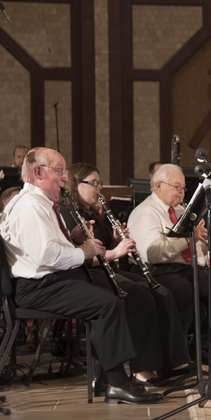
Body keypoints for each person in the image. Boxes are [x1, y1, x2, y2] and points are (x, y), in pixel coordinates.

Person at [0, 147, 162, 404]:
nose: (65, 178)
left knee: (122, 296)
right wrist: (85, 250)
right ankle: (117, 383)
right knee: (107, 305)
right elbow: (45, 257)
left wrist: (71, 239)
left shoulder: (40, 203)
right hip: (38, 287)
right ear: (38, 172)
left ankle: (104, 380)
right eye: (59, 171)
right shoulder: (30, 206)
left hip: (51, 280)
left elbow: (47, 249)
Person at [58, 163, 192, 383]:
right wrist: (114, 251)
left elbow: (102, 247)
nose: (99, 188)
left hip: (105, 269)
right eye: (93, 183)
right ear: (75, 185)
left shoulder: (93, 213)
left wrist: (114, 240)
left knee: (162, 293)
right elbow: (79, 258)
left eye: (99, 183)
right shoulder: (69, 214)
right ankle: (142, 370)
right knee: (141, 298)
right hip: (88, 274)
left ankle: (174, 362)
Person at [127, 164, 211, 364]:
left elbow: (195, 250)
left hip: (186, 269)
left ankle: (201, 350)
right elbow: (152, 254)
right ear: (158, 186)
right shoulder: (145, 213)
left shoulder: (181, 210)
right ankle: (173, 359)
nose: (181, 193)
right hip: (157, 270)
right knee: (184, 293)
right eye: (177, 187)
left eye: (183, 188)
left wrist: (204, 252)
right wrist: (189, 239)